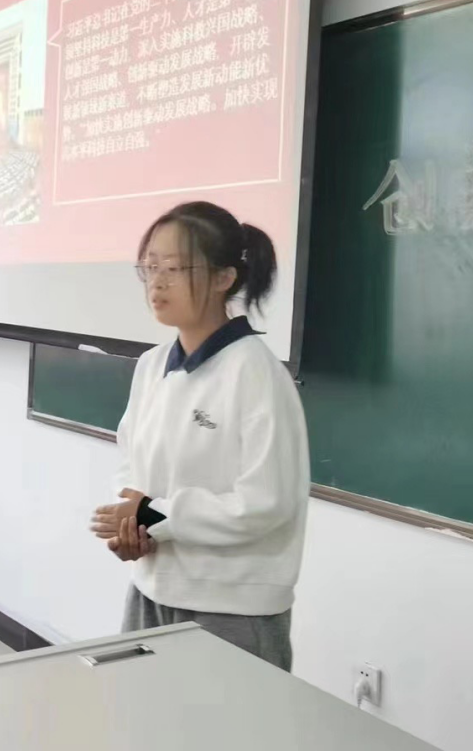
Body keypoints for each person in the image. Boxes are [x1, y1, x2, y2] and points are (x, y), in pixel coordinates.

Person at [90, 201, 310, 671]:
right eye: (150, 267)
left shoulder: (256, 373)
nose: (157, 282)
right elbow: (131, 465)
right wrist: (135, 525)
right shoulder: (152, 365)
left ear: (223, 277)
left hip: (231, 605)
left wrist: (151, 515)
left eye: (174, 268)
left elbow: (265, 503)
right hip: (152, 587)